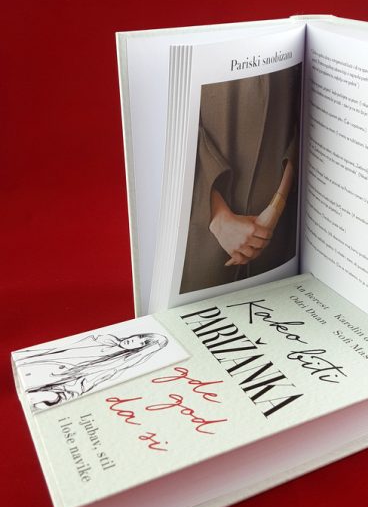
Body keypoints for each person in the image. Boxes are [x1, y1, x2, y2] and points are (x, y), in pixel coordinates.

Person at [181, 63, 302, 293]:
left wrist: (275, 209)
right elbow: (177, 120)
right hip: (203, 223)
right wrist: (218, 217)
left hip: (278, 231)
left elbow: (303, 120)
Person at [16, 332, 168, 410]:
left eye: (140, 344)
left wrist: (54, 397)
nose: (134, 340)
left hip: (46, 382)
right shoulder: (103, 339)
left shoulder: (112, 366)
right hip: (33, 363)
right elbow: (60, 348)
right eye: (140, 336)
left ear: (138, 351)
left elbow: (84, 384)